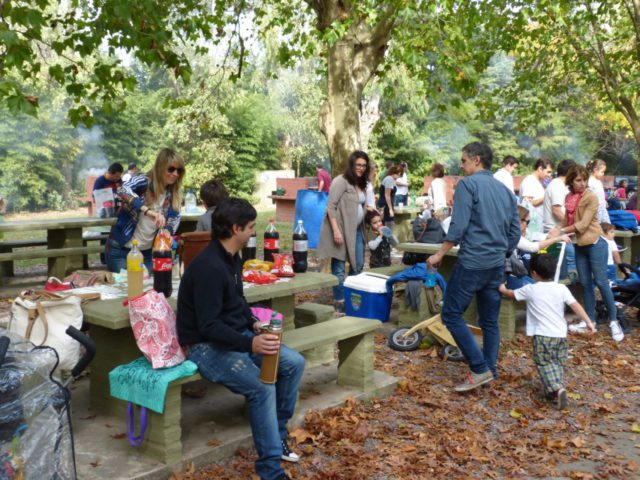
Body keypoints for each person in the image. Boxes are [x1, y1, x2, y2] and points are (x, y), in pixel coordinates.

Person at [177, 198, 304, 480]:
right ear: (236, 229)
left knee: (293, 363)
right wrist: (249, 344)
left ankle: (277, 436)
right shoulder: (209, 267)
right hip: (205, 346)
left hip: (237, 335)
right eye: (250, 227)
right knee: (261, 388)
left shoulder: (232, 257)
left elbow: (238, 301)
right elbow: (208, 326)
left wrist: (253, 323)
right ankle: (271, 470)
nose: (253, 232)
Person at [427, 142, 520, 392]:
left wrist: (439, 254)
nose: (461, 165)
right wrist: (502, 252)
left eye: (464, 160)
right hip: (497, 264)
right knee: (489, 321)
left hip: (473, 262)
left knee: (451, 314)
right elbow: (515, 232)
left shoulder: (467, 185)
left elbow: (458, 226)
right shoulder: (506, 191)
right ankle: (490, 370)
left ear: (477, 160)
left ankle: (479, 368)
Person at [499, 254, 596, 410]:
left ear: (534, 273)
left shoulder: (530, 289)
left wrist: (502, 288)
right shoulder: (561, 288)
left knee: (544, 363)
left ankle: (556, 389)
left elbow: (511, 294)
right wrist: (588, 322)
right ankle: (553, 391)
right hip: (560, 334)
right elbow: (575, 305)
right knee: (557, 362)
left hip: (542, 335)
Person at [560, 165, 624, 342]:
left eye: (584, 180)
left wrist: (561, 231)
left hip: (595, 243)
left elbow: (583, 224)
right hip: (579, 245)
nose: (582, 183)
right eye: (578, 180)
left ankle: (614, 321)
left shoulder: (591, 197)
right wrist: (556, 231)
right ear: (571, 181)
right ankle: (590, 321)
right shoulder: (569, 197)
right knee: (586, 284)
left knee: (602, 282)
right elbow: (566, 220)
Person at [105, 148, 184, 273]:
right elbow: (122, 190)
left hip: (146, 253)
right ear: (160, 167)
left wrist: (167, 232)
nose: (175, 174)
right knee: (130, 283)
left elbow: (174, 218)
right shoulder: (143, 181)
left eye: (179, 170)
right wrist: (147, 211)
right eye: (171, 169)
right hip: (121, 251)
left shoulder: (173, 193)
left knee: (148, 284)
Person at [318, 151, 370, 308]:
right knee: (339, 267)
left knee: (358, 265)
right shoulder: (341, 181)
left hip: (357, 230)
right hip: (340, 229)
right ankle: (340, 300)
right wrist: (336, 231)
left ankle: (351, 298)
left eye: (364, 165)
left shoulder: (362, 183)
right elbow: (330, 206)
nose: (361, 168)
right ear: (352, 164)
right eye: (358, 165)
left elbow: (360, 205)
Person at [506, 206, 573, 289]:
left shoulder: (521, 232)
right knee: (542, 289)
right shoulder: (512, 235)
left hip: (518, 273)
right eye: (527, 222)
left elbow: (535, 236)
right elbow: (532, 247)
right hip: (511, 276)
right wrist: (556, 239)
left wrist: (550, 236)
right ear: (519, 221)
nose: (527, 225)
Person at [378, 165, 401, 230]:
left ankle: (386, 236)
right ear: (395, 173)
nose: (399, 177)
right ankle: (386, 236)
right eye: (399, 175)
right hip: (385, 205)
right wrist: (390, 209)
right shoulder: (389, 179)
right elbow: (387, 195)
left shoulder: (390, 179)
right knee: (388, 226)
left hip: (387, 205)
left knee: (387, 225)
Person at [586, 159, 610, 223]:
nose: (603, 174)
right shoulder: (590, 182)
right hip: (595, 211)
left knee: (607, 226)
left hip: (602, 209)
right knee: (597, 227)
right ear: (595, 170)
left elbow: (599, 195)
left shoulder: (598, 181)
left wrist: (604, 201)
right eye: (602, 172)